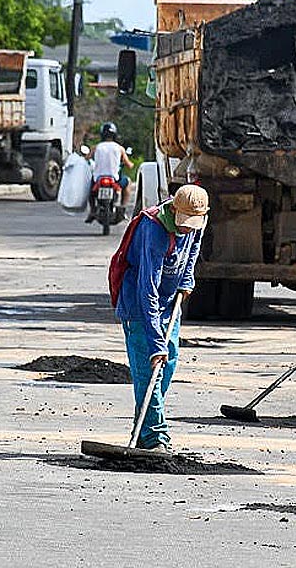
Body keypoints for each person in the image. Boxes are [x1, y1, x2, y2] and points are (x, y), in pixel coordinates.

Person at [113, 184, 209, 453]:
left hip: (169, 303)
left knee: (166, 369)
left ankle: (143, 431)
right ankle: (156, 437)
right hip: (140, 306)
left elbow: (193, 249)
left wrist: (187, 278)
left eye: (193, 223)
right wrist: (156, 343)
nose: (187, 229)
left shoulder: (198, 220)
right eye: (184, 223)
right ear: (174, 210)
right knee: (149, 372)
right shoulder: (153, 229)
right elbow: (147, 289)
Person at [87, 122, 134, 222]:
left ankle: (92, 210)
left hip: (98, 179)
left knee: (90, 190)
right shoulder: (120, 148)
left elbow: (87, 159)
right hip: (114, 180)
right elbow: (129, 164)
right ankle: (122, 208)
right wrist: (130, 164)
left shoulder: (96, 147)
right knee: (128, 182)